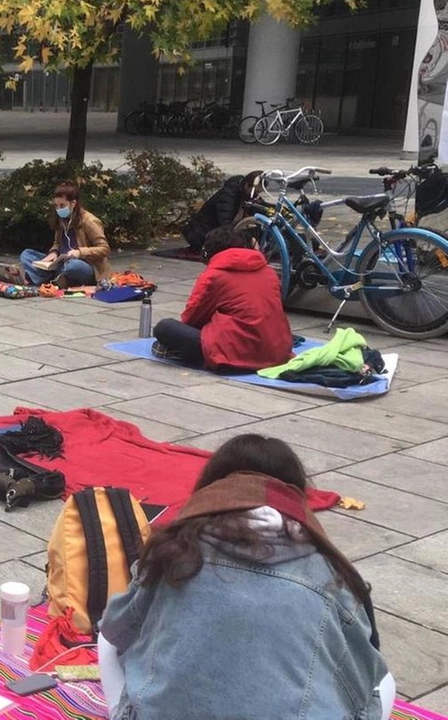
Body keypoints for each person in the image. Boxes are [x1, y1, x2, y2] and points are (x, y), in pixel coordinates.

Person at [99, 434, 394, 720]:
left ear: (213, 486)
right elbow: (363, 673)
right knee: (383, 682)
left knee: (110, 637)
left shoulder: (174, 549)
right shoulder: (326, 572)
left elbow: (115, 631)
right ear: (296, 496)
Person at [152, 225, 293, 371]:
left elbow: (193, 318)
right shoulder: (269, 272)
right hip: (278, 352)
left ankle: (175, 350)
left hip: (235, 354)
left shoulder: (214, 275)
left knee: (165, 328)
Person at [19, 181, 111, 288]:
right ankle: (55, 278)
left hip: (84, 265)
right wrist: (53, 253)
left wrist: (79, 252)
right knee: (27, 254)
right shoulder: (61, 219)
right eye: (56, 206)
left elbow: (105, 249)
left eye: (62, 205)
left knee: (73, 266)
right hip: (60, 262)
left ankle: (46, 278)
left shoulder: (89, 221)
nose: (59, 209)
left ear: (73, 203)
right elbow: (57, 243)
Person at [181, 171, 264, 252]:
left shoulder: (246, 194)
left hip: (221, 229)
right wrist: (248, 238)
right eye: (255, 192)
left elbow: (261, 209)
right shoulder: (228, 196)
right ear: (247, 186)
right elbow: (225, 223)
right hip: (201, 234)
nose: (255, 195)